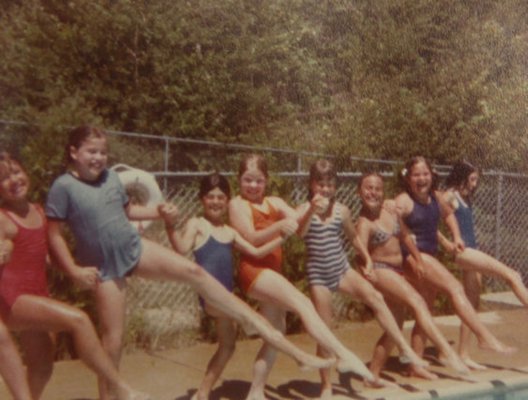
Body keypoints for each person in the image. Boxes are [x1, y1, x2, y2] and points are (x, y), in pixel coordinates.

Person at [45, 127, 333, 400]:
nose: (98, 158)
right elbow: (54, 234)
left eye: (102, 152)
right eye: (91, 152)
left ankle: (253, 323)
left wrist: (158, 212)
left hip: (133, 248)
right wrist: (72, 269)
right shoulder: (64, 187)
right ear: (73, 152)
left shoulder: (110, 178)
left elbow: (128, 210)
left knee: (194, 272)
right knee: (113, 339)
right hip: (104, 267)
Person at [228, 153, 412, 400]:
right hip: (255, 271)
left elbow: (297, 218)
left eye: (258, 180)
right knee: (305, 307)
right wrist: (285, 224)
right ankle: (342, 358)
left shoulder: (274, 202)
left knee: (274, 335)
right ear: (239, 180)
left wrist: (387, 204)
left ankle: (256, 391)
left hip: (277, 272)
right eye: (248, 180)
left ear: (266, 180)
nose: (253, 186)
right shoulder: (237, 204)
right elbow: (253, 237)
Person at [162, 172, 334, 400]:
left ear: (227, 201)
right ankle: (301, 357)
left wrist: (283, 236)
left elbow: (256, 252)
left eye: (221, 198)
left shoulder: (229, 232)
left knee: (228, 347)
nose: (216, 202)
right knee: (263, 324)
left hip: (226, 298)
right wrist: (170, 225)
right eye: (210, 197)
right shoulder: (197, 224)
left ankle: (202, 394)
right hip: (212, 296)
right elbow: (182, 248)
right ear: (202, 199)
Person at [0, 151, 150, 400]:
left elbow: (47, 257)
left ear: (25, 173)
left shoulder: (38, 210)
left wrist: (76, 271)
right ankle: (122, 389)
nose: (13, 180)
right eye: (3, 178)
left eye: (16, 172)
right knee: (78, 320)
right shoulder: (3, 218)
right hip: (10, 299)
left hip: (36, 295)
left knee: (42, 367)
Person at [296, 160, 428, 397]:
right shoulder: (303, 209)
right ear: (311, 184)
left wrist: (367, 259)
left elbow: (355, 239)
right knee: (324, 331)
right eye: (320, 184)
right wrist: (310, 211)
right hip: (319, 276)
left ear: (334, 186)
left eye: (329, 184)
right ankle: (326, 385)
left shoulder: (342, 211)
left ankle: (404, 348)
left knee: (376, 297)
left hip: (341, 269)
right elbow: (300, 233)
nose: (325, 189)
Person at [395, 156, 516, 379]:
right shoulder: (403, 200)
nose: (422, 178)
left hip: (428, 256)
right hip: (414, 258)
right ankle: (483, 337)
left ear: (431, 175)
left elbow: (449, 215)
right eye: (416, 175)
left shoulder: (435, 197)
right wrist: (404, 241)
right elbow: (389, 219)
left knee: (425, 311)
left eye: (425, 174)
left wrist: (457, 237)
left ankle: (415, 365)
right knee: (455, 288)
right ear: (408, 178)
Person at [355, 172, 469, 383]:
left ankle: (373, 374)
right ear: (359, 192)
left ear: (383, 191)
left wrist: (417, 259)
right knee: (418, 301)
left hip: (397, 270)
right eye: (368, 188)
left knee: (394, 327)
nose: (373, 193)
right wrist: (368, 278)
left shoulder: (390, 211)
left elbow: (405, 236)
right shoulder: (364, 223)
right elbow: (359, 255)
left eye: (377, 188)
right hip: (381, 270)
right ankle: (448, 352)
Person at [440, 161, 528, 370]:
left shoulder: (465, 198)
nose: (475, 183)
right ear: (461, 177)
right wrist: (447, 243)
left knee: (470, 304)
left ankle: (463, 353)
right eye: (472, 179)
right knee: (512, 275)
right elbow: (431, 219)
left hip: (472, 250)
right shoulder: (449, 196)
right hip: (464, 252)